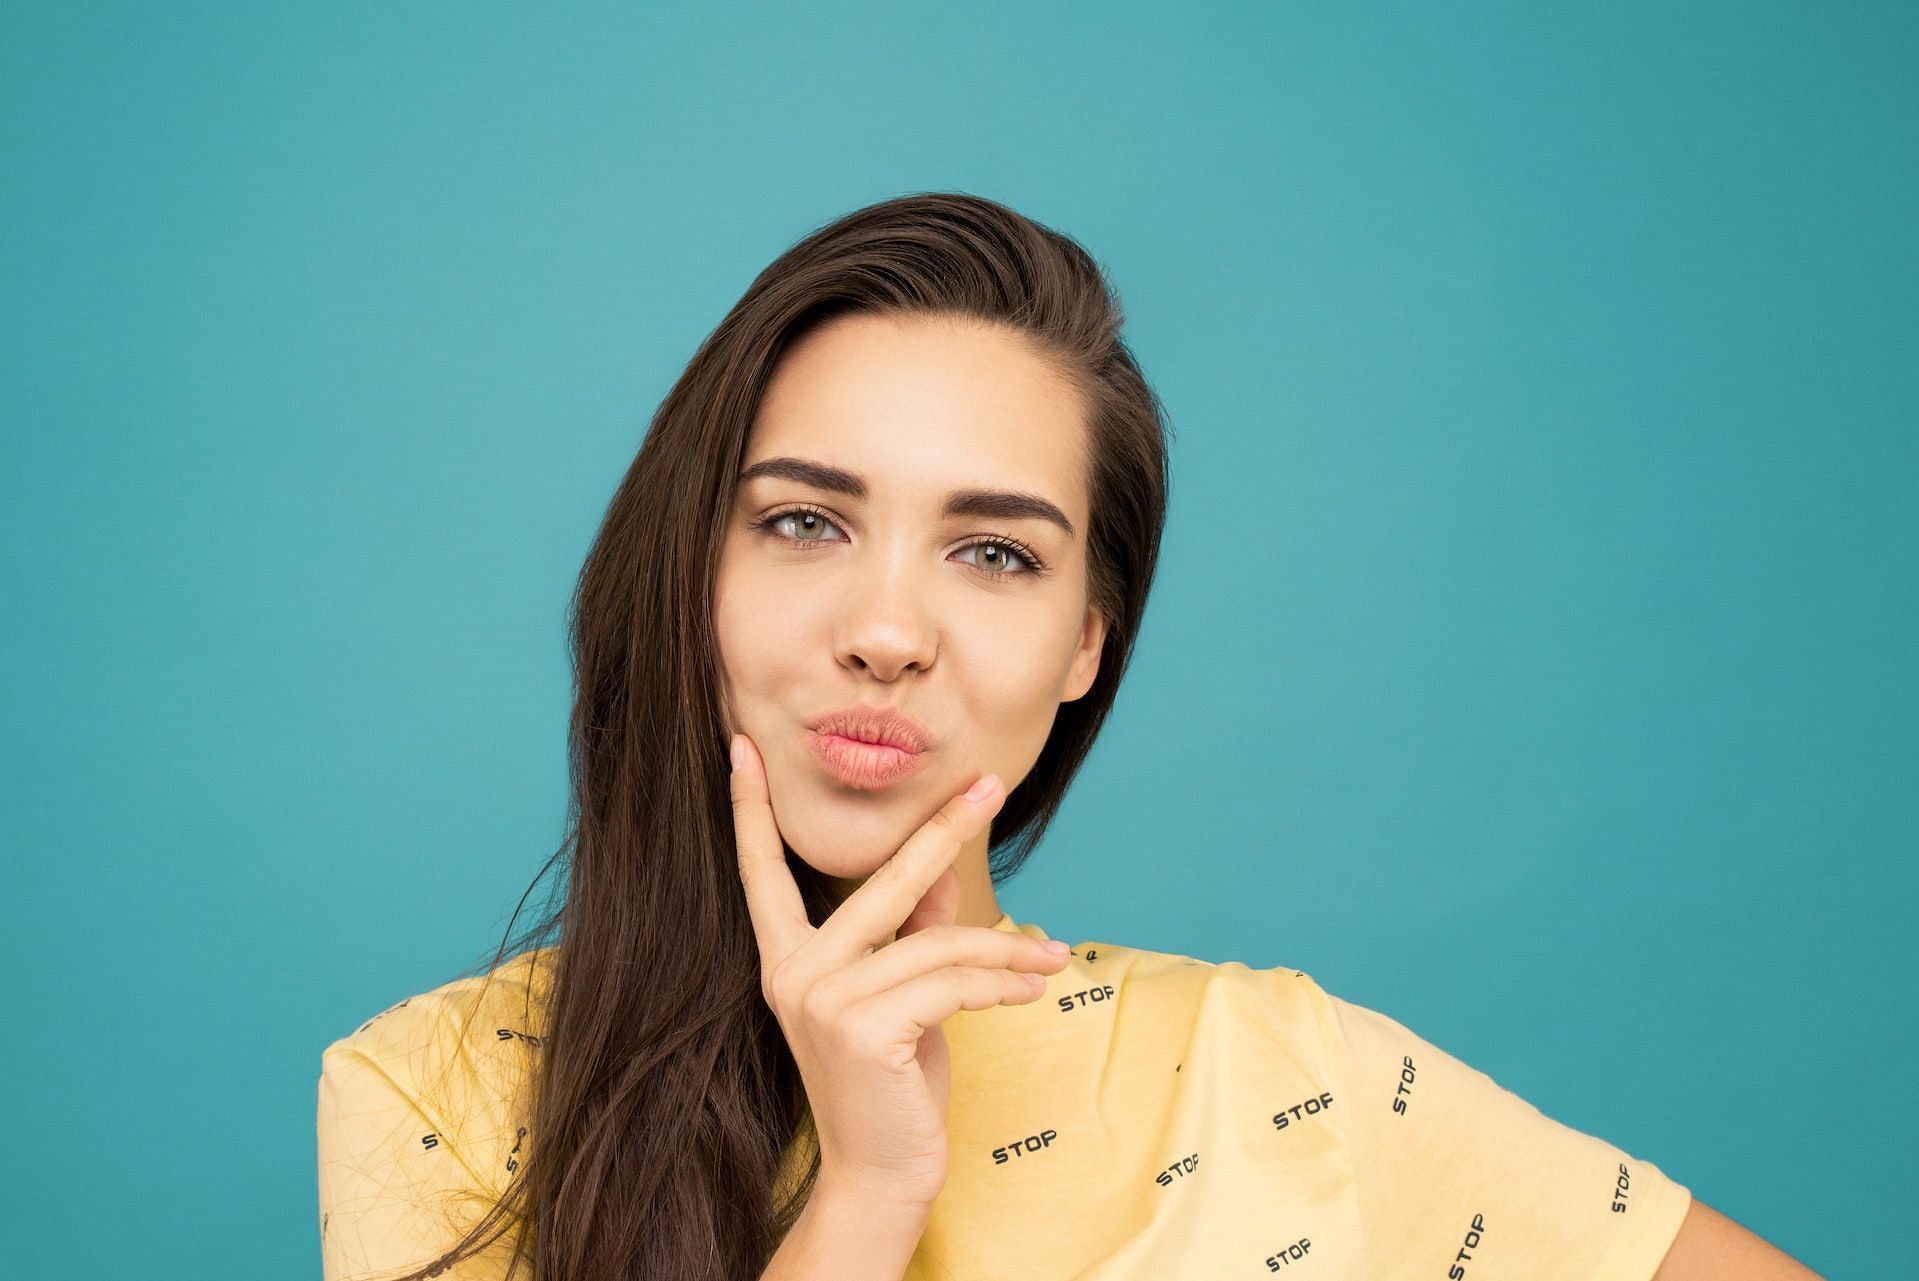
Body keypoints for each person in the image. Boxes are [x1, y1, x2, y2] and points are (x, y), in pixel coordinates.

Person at [315, 192, 1821, 1281]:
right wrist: (866, 1196)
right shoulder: (430, 1097)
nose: (888, 628)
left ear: (1087, 641)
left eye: (995, 553)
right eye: (802, 521)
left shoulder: (1277, 1075)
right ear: (689, 575)